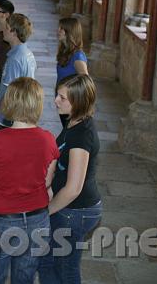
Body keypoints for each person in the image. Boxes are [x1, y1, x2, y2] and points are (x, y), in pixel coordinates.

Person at [0, 78, 59, 284]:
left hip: (2, 218)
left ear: (9, 103)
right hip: (38, 218)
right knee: (25, 276)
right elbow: (47, 181)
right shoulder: (48, 139)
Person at [39, 74, 101, 284]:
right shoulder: (74, 122)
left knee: (66, 269)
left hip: (75, 212)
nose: (55, 100)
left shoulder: (81, 136)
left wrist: (47, 210)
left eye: (62, 98)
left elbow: (74, 188)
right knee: (47, 262)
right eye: (58, 94)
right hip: (68, 209)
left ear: (79, 102)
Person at [0, 13, 36, 127]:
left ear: (14, 32)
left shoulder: (15, 58)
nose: (4, 30)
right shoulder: (27, 53)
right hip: (22, 113)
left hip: (8, 116)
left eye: (7, 28)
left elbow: (10, 92)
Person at [56, 17, 88, 86]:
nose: (58, 31)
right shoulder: (64, 50)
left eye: (61, 28)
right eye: (58, 27)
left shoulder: (78, 56)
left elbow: (86, 83)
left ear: (70, 31)